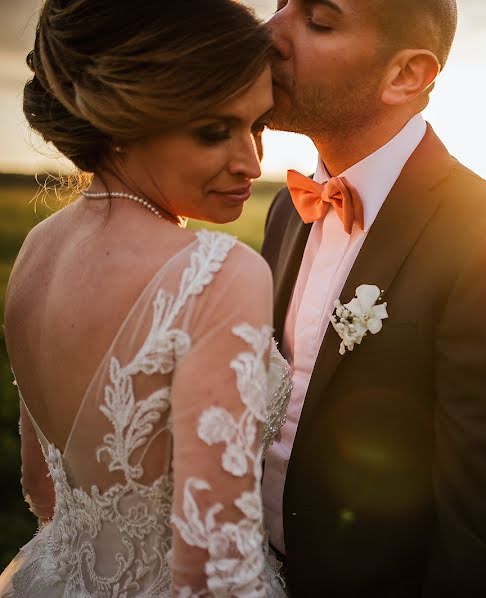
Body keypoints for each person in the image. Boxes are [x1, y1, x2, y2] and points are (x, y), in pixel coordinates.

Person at [260, 0, 486, 595]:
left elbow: (485, 516)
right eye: (279, 6)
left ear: (407, 75)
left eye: (318, 20)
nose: (269, 32)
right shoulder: (284, 209)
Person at [0, 0, 292, 595]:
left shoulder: (36, 250)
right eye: (214, 132)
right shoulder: (218, 273)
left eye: (256, 125)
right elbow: (216, 571)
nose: (251, 162)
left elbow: (41, 483)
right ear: (126, 119)